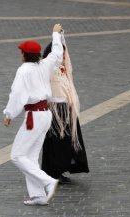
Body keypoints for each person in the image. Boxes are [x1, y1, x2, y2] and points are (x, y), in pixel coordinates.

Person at [3, 24, 64, 206]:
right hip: (45, 115)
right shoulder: (45, 65)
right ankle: (38, 196)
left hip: (34, 117)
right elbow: (56, 54)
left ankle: (48, 181)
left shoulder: (23, 71)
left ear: (24, 55)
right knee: (30, 157)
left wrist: (9, 114)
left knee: (17, 156)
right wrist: (55, 35)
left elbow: (17, 94)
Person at [41, 36, 89, 185]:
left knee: (63, 141)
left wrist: (61, 37)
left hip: (64, 108)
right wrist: (57, 36)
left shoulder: (62, 68)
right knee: (57, 141)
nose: (63, 56)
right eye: (61, 53)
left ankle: (56, 170)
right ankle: (53, 171)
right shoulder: (48, 66)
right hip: (55, 108)